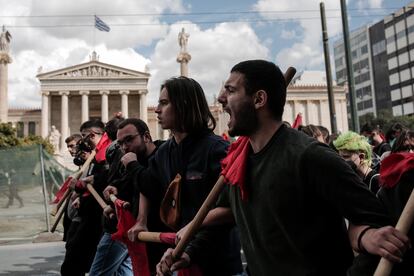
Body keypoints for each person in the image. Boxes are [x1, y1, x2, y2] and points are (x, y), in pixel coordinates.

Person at [159, 60, 410, 275]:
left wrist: (360, 254)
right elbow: (227, 215)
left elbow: (374, 222)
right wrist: (189, 252)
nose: (221, 98)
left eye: (231, 90)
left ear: (259, 99)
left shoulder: (309, 156)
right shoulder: (237, 160)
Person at [128, 76, 243, 275]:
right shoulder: (164, 152)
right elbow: (147, 185)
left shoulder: (217, 150)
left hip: (218, 263)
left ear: (183, 105)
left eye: (164, 103)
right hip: (183, 259)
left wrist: (191, 250)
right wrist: (141, 220)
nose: (156, 110)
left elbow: (230, 210)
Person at [61, 119, 110, 276]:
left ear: (92, 135)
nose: (81, 142)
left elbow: (105, 179)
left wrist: (82, 186)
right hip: (90, 211)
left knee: (74, 263)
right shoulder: (97, 153)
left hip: (99, 214)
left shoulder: (106, 151)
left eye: (83, 137)